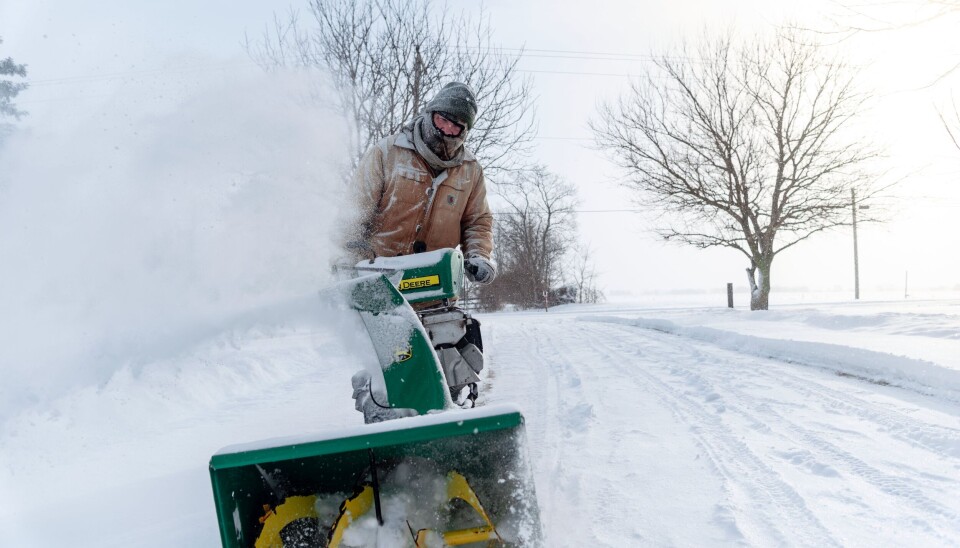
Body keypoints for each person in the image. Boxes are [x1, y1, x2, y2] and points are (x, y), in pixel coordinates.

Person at [343, 81, 497, 286]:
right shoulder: (388, 152)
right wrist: (348, 258)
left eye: (456, 126)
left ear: (464, 131)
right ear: (430, 114)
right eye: (443, 119)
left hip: (436, 284)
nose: (447, 129)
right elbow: (354, 211)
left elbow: (478, 221)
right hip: (380, 279)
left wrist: (479, 255)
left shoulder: (470, 170)